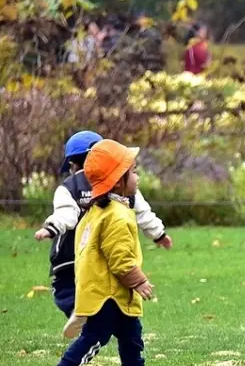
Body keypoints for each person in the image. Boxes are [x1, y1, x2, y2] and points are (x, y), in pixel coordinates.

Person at [43, 140, 166, 366]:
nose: (138, 177)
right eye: (133, 172)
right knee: (96, 335)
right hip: (108, 293)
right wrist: (139, 280)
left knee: (131, 334)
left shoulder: (97, 211)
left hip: (108, 291)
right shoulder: (117, 216)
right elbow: (119, 257)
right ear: (118, 182)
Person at [34, 131, 172, 319]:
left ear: (73, 164)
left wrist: (51, 228)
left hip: (70, 254)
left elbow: (66, 214)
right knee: (104, 286)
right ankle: (93, 313)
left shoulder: (68, 186)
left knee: (64, 288)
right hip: (102, 256)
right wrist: (159, 235)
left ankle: (77, 310)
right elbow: (143, 213)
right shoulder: (123, 183)